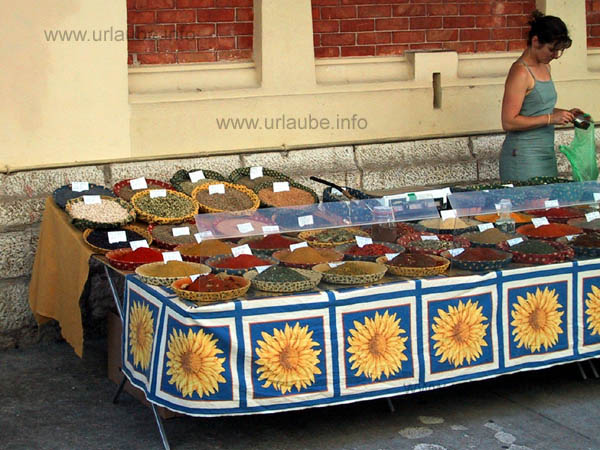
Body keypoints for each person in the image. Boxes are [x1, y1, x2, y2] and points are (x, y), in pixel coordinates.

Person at [500, 10, 584, 182]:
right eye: (551, 50)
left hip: (545, 153)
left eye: (558, 51)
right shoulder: (520, 72)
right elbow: (508, 121)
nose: (555, 56)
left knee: (549, 205)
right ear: (535, 41)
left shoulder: (545, 67)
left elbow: (536, 108)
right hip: (523, 156)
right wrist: (550, 118)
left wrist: (566, 114)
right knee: (529, 206)